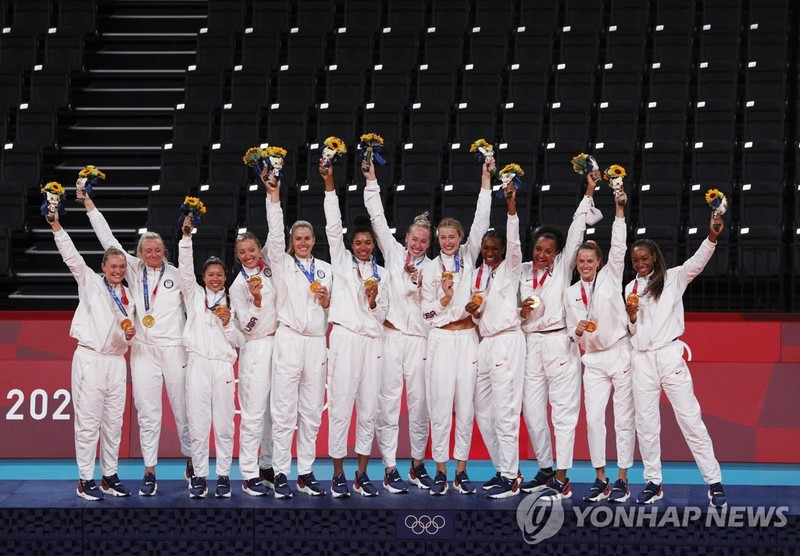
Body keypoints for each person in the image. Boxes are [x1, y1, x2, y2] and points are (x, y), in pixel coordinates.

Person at [81, 189, 192, 496]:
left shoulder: (179, 275)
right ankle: (149, 470)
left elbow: (196, 305)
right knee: (147, 412)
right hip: (143, 350)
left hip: (174, 349)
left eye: (157, 249)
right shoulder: (132, 268)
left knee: (183, 409)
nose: (152, 254)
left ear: (164, 251)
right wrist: (89, 205)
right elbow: (108, 240)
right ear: (140, 252)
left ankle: (192, 462)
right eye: (147, 250)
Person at [625, 213, 728, 508]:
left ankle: (714, 482)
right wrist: (632, 317)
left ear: (655, 257)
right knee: (645, 424)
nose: (640, 264)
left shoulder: (673, 277)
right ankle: (653, 482)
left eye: (644, 258)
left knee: (690, 419)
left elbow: (697, 262)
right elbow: (633, 330)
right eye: (636, 261)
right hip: (642, 360)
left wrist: (712, 236)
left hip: (669, 355)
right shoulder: (629, 290)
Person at [519, 172, 600, 500]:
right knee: (532, 410)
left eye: (549, 250)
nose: (542, 254)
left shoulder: (563, 268)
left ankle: (563, 477)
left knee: (563, 411)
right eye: (539, 248)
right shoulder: (522, 272)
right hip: (530, 344)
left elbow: (577, 227)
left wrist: (589, 191)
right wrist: (520, 311)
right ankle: (546, 467)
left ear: (557, 253)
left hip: (559, 343)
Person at [47, 210, 135, 500]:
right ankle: (85, 479)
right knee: (87, 421)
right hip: (90, 360)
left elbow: (125, 331)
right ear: (103, 266)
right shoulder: (90, 282)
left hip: (117, 362)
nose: (118, 270)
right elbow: (71, 256)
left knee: (114, 422)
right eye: (113, 266)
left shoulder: (130, 297)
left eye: (122, 266)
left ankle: (109, 475)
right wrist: (56, 225)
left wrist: (130, 335)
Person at [420, 157, 493, 495]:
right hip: (439, 340)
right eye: (443, 237)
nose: (448, 241)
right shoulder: (430, 269)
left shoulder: (469, 257)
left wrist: (485, 179)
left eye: (453, 236)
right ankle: (439, 468)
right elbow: (427, 314)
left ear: (462, 237)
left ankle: (461, 468)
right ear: (437, 239)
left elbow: (482, 218)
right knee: (440, 404)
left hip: (468, 338)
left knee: (466, 404)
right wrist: (446, 300)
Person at [363, 160, 434, 493]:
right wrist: (372, 180)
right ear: (406, 237)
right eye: (414, 238)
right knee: (388, 402)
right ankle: (389, 466)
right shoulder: (393, 254)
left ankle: (417, 466)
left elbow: (437, 308)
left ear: (428, 244)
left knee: (420, 405)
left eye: (423, 241)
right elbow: (377, 217)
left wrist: (423, 289)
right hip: (390, 336)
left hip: (420, 341)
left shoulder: (434, 270)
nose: (417, 244)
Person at [321, 160, 388, 497]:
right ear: (351, 244)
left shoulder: (384, 273)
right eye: (358, 242)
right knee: (341, 405)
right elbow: (334, 227)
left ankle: (362, 473)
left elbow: (383, 314)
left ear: (374, 244)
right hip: (345, 338)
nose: (363, 247)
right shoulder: (342, 263)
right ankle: (337, 473)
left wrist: (374, 301)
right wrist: (330, 184)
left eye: (368, 243)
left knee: (368, 408)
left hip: (372, 342)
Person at [264, 169, 332, 498]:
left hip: (317, 343)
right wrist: (274, 196)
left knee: (311, 411)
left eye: (307, 238)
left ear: (314, 241)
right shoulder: (282, 264)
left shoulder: (327, 271)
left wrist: (327, 301)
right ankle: (280, 471)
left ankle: (304, 471)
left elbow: (335, 309)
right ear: (291, 243)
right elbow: (274, 234)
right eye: (297, 239)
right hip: (289, 339)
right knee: (283, 409)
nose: (302, 243)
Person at [565, 191, 635, 503]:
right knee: (593, 419)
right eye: (580, 261)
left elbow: (619, 246)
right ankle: (600, 477)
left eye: (589, 260)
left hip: (619, 352)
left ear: (599, 262)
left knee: (622, 418)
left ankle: (622, 478)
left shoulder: (611, 276)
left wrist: (619, 211)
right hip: (591, 359)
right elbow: (571, 333)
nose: (584, 265)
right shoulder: (569, 294)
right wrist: (576, 332)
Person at [179, 216, 244, 499]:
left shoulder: (233, 301)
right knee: (198, 423)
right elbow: (184, 270)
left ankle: (224, 476)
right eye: (210, 274)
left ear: (225, 277)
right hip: (197, 364)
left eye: (219, 274)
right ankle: (200, 477)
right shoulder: (193, 295)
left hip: (222, 367)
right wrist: (186, 238)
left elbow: (240, 340)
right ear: (203, 277)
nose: (215, 278)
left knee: (225, 424)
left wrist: (229, 322)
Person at [470, 181, 526, 499]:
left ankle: (510, 476)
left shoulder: (511, 269)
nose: (490, 253)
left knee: (505, 411)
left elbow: (516, 241)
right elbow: (478, 315)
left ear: (502, 250)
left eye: (495, 249)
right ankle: (505, 468)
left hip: (507, 340)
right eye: (486, 249)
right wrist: (473, 311)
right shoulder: (477, 275)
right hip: (486, 342)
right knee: (482, 409)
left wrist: (511, 207)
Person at [230, 231, 277, 496]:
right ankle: (248, 473)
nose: (248, 256)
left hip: (279, 346)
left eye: (251, 249)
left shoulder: (270, 268)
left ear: (260, 248)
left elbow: (277, 234)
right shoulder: (238, 285)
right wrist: (256, 302)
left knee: (275, 413)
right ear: (237, 256)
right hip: (256, 348)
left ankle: (266, 466)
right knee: (254, 414)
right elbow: (246, 327)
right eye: (242, 253)